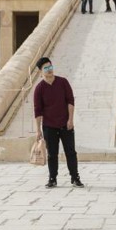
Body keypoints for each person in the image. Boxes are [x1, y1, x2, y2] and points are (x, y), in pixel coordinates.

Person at [34, 57, 84, 189]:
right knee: (52, 154)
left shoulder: (63, 82)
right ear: (41, 72)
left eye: (50, 67)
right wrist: (38, 130)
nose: (49, 70)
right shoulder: (39, 88)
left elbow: (70, 101)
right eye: (46, 68)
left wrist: (71, 119)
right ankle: (52, 178)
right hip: (49, 126)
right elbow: (37, 110)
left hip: (65, 124)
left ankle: (75, 177)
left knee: (71, 152)